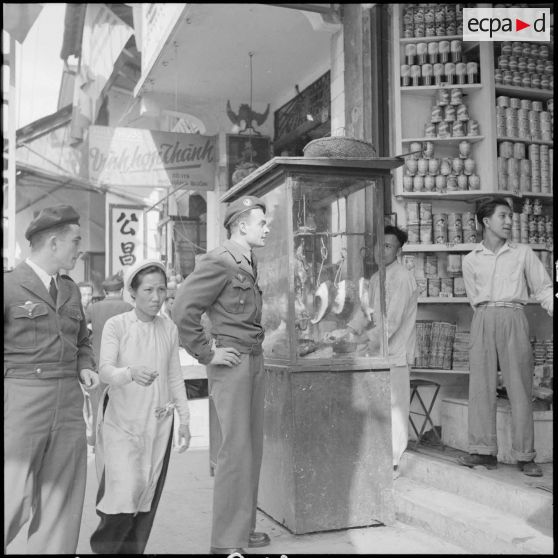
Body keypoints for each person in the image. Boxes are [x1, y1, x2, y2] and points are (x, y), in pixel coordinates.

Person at [172, 195, 270, 555]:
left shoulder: (246, 260)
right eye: (261, 222)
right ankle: (227, 539)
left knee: (252, 449)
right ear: (242, 224)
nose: (267, 228)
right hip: (232, 364)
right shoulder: (221, 260)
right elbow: (183, 308)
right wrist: (207, 352)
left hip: (252, 359)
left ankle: (243, 529)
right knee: (235, 450)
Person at [4, 204, 99, 554]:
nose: (80, 249)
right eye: (76, 241)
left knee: (62, 500)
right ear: (54, 243)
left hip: (69, 405)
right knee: (11, 497)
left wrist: (85, 365)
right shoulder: (10, 286)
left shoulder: (71, 291)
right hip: (22, 401)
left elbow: (83, 341)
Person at [90, 259, 191, 554]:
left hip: (158, 423)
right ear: (132, 293)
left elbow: (174, 376)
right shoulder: (117, 326)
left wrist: (184, 419)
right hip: (122, 422)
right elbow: (105, 371)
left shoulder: (168, 328)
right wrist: (130, 373)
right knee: (122, 494)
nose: (156, 297)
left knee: (146, 494)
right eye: (148, 289)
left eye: (161, 289)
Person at [458, 197, 553, 477]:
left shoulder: (523, 253)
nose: (509, 221)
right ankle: (483, 451)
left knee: (520, 387)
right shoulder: (471, 260)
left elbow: (544, 288)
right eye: (503, 216)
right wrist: (488, 316)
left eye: (510, 216)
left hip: (514, 315)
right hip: (484, 317)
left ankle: (525, 455)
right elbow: (474, 298)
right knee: (480, 387)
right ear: (486, 221)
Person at [326, 225, 418, 476]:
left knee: (395, 408)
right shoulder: (378, 277)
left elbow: (393, 321)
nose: (382, 250)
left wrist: (362, 338)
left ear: (398, 251)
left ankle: (395, 462)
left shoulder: (402, 277)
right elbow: (365, 311)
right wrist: (348, 331)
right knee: (378, 407)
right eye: (379, 245)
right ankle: (381, 457)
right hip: (378, 353)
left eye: (388, 246)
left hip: (396, 354)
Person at [85, 272, 133, 446]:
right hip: (122, 363)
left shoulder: (93, 308)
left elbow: (83, 331)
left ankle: (97, 437)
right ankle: (121, 437)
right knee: (122, 401)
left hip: (98, 361)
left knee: (98, 401)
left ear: (105, 292)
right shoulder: (128, 308)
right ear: (121, 290)